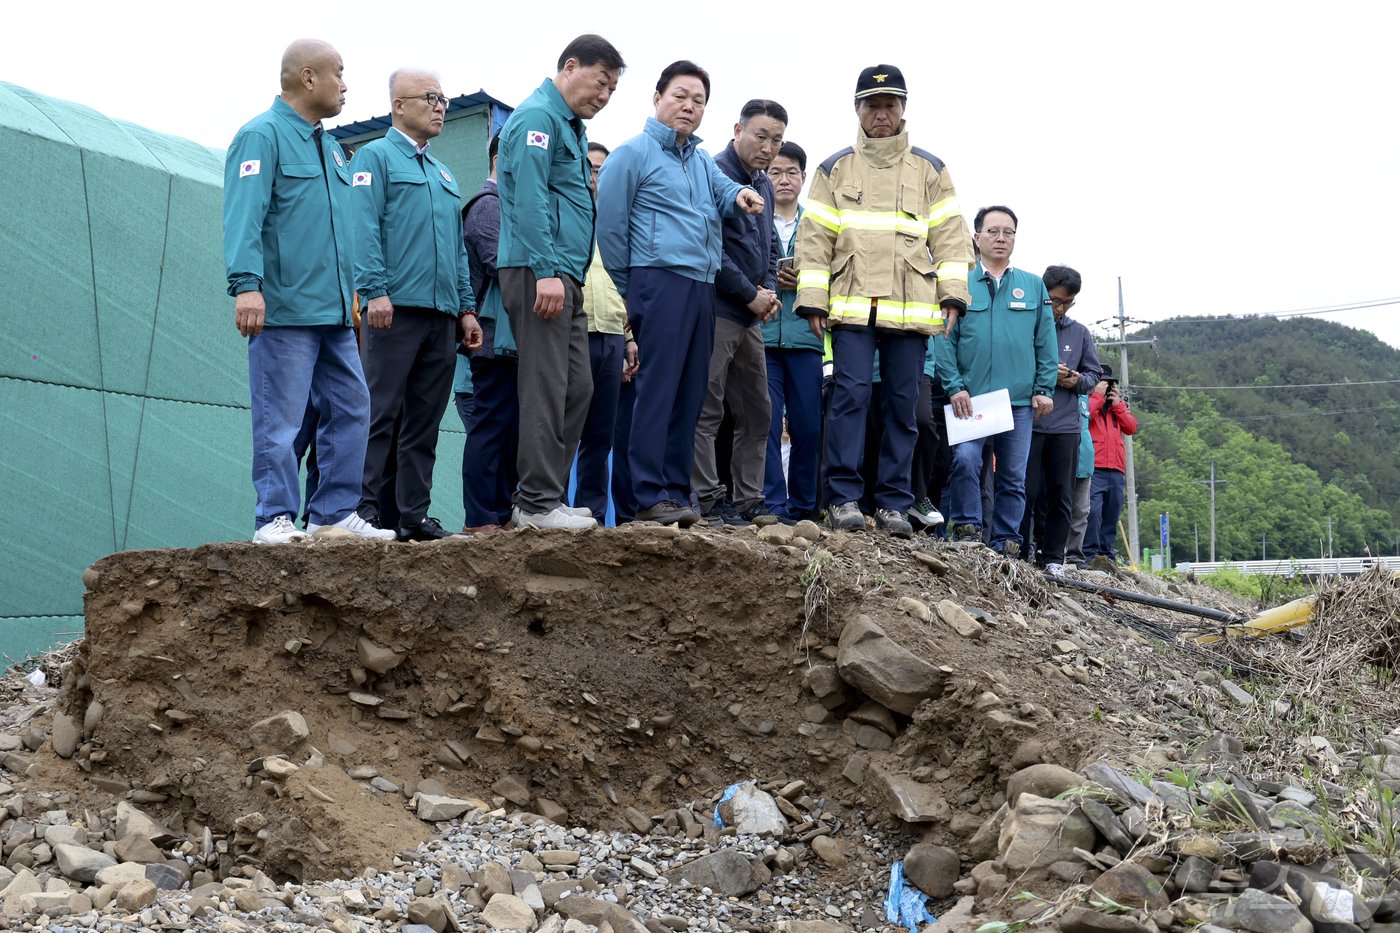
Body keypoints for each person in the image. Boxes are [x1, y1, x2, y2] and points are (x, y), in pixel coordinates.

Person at [224, 39, 393, 544]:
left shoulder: (332, 149)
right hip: (285, 309)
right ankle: (272, 518)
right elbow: (243, 216)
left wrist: (355, 297)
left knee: (352, 408)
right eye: (338, 74)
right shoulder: (261, 136)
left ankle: (333, 516)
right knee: (281, 419)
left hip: (337, 314)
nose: (345, 85)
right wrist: (246, 287)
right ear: (308, 77)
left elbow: (343, 230)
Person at [795, 65, 973, 538]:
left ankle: (895, 503)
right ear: (857, 110)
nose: (881, 114)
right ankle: (843, 499)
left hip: (910, 308)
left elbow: (952, 239)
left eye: (889, 105)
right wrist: (813, 299)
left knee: (903, 408)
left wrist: (954, 293)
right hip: (852, 306)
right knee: (849, 399)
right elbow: (814, 240)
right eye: (872, 105)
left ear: (903, 110)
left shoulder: (931, 169)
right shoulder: (833, 169)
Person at [596, 60, 766, 526]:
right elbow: (610, 229)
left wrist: (741, 198)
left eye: (699, 101)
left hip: (700, 287)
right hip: (656, 281)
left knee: (689, 393)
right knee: (656, 390)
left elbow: (725, 188)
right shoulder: (632, 155)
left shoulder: (698, 160)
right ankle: (646, 494)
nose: (689, 107)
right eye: (680, 96)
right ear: (657, 98)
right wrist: (630, 291)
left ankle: (675, 491)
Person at [496, 34, 626, 531]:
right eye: (601, 82)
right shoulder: (537, 119)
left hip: (562, 274)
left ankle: (546, 495)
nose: (604, 96)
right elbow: (528, 200)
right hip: (538, 271)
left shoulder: (566, 126)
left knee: (577, 386)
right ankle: (535, 503)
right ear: (570, 66)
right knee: (548, 385)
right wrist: (546, 272)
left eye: (612, 89)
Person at [351, 69, 480, 542]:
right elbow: (362, 229)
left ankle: (412, 516)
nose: (441, 106)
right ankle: (361, 511)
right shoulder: (375, 158)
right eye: (431, 97)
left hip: (441, 317)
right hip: (393, 310)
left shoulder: (444, 174)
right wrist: (374, 290)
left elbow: (457, 249)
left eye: (444, 98)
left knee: (424, 421)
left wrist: (466, 309)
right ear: (399, 105)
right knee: (378, 412)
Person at [935, 205, 1056, 556]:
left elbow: (1045, 341)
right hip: (971, 399)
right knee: (966, 461)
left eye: (1009, 232)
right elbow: (942, 338)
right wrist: (955, 385)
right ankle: (968, 527)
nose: (1001, 238)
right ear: (977, 237)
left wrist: (1044, 389)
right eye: (993, 231)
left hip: (1018, 400)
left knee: (1014, 477)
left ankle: (1007, 540)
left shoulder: (1032, 285)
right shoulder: (959, 282)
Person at [691, 100, 787, 528]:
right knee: (707, 408)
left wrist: (765, 289)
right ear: (738, 129)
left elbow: (769, 246)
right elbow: (712, 248)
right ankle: (707, 498)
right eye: (761, 136)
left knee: (758, 410)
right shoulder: (712, 173)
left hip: (751, 314)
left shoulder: (763, 183)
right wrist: (750, 293)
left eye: (777, 140)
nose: (768, 147)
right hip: (718, 308)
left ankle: (748, 499)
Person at [1022, 265, 1100, 573]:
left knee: (1061, 494)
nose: (1060, 308)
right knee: (1025, 491)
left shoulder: (1079, 332)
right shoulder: (1026, 326)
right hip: (1029, 423)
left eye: (1067, 302)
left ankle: (1053, 557)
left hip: (1066, 425)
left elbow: (1094, 376)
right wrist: (1045, 375)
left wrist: (1074, 381)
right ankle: (1019, 548)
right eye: (1055, 300)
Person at [761, 142, 823, 524]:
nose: (784, 180)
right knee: (764, 424)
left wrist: (807, 282)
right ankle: (771, 504)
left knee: (807, 426)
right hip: (763, 337)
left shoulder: (817, 225)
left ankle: (803, 506)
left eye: (791, 173)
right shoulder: (754, 217)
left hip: (806, 339)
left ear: (803, 177)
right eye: (775, 172)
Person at [460, 133, 519, 535]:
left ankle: (500, 511)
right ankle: (481, 516)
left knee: (509, 428)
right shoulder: (487, 206)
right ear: (499, 159)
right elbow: (505, 264)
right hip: (492, 337)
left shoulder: (510, 207)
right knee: (490, 425)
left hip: (511, 339)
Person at [574, 142, 636, 521]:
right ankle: (554, 508)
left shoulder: (617, 221)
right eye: (590, 168)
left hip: (613, 334)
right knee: (565, 430)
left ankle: (592, 514)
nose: (595, 177)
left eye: (602, 170)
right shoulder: (566, 213)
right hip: (573, 331)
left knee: (601, 436)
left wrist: (629, 340)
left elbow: (623, 284)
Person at [1084, 363, 1138, 563]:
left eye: (1108, 384)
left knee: (1112, 511)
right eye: (1102, 383)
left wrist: (1118, 405)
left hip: (1116, 467)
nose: (1105, 387)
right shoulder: (1090, 402)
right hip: (1095, 466)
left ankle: (1106, 553)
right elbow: (1085, 416)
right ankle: (1089, 552)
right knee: (1093, 510)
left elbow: (1131, 427)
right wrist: (1097, 397)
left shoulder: (1117, 408)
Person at [1064, 392, 1096, 567]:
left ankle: (1075, 553)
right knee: (1058, 508)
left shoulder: (1084, 399)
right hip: (1062, 460)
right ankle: (1051, 550)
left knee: (1081, 511)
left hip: (1084, 460)